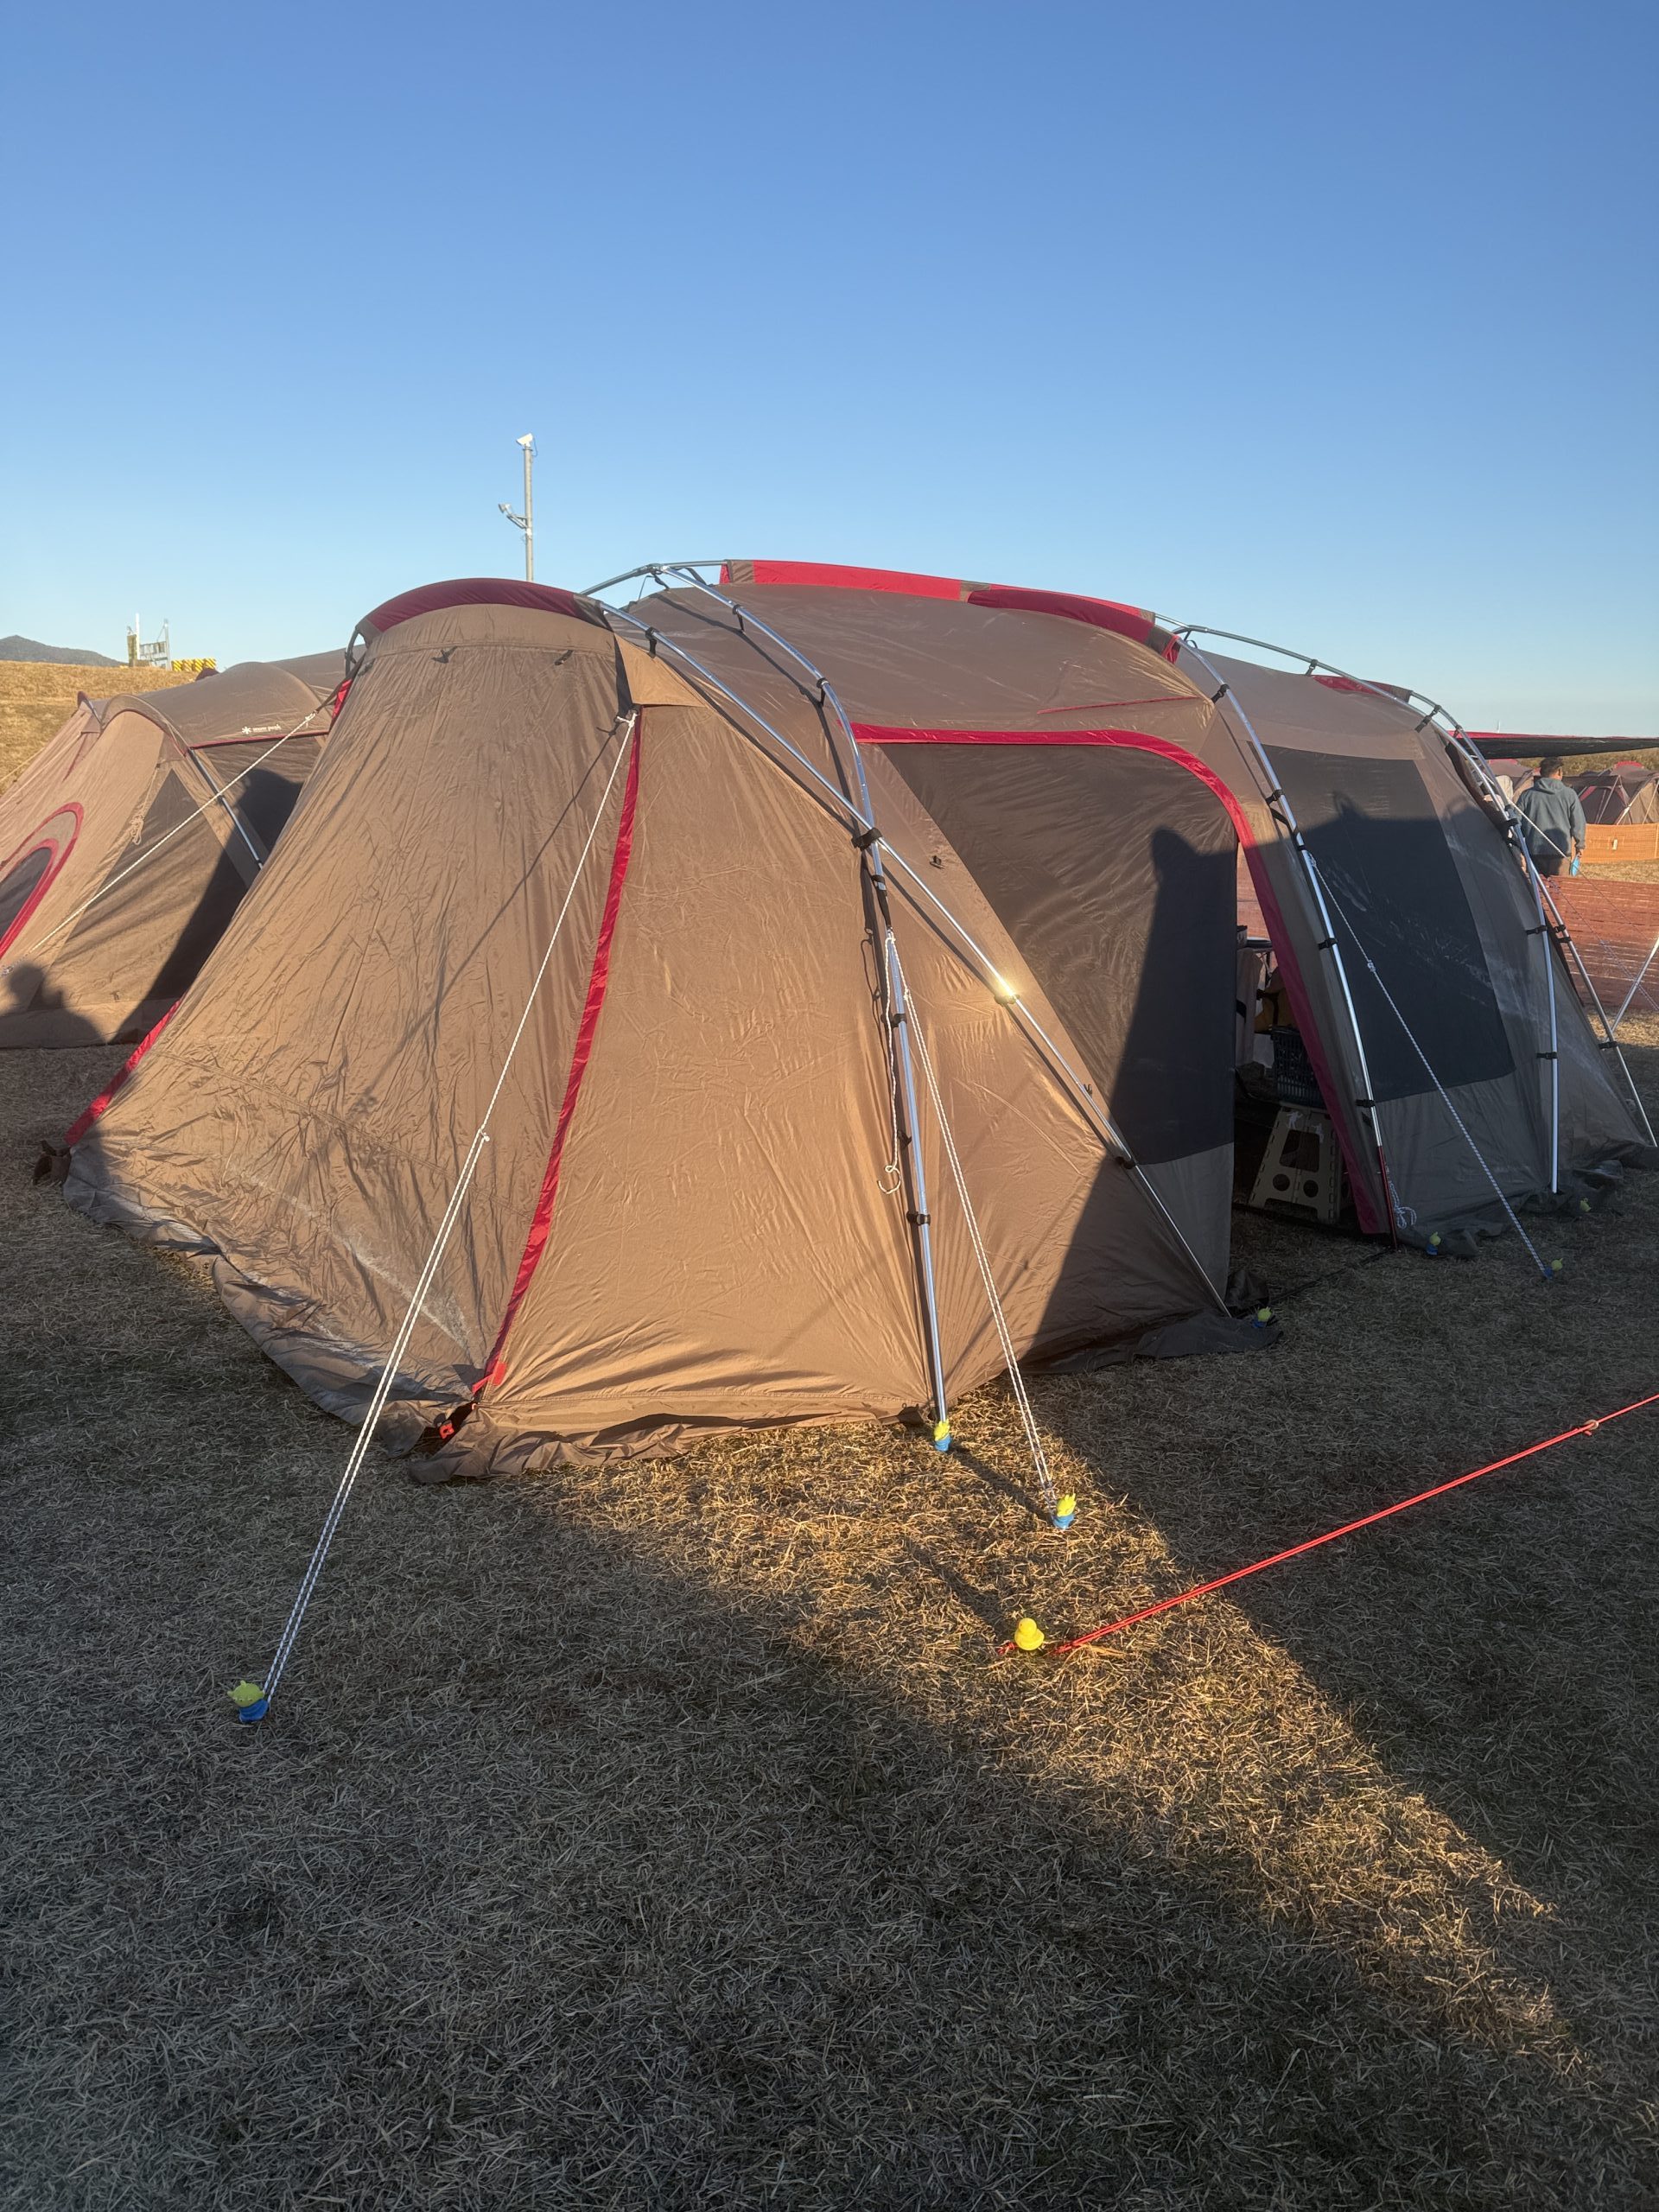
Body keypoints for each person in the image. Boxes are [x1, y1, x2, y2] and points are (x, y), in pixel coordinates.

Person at [1513, 765, 1586, 878]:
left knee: (1537, 885)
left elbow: (1516, 821)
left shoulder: (1527, 795)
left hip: (1534, 850)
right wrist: (1580, 845)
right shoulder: (1570, 795)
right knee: (1560, 886)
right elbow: (1578, 822)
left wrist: (1519, 842)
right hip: (1561, 851)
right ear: (1559, 772)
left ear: (1541, 773)